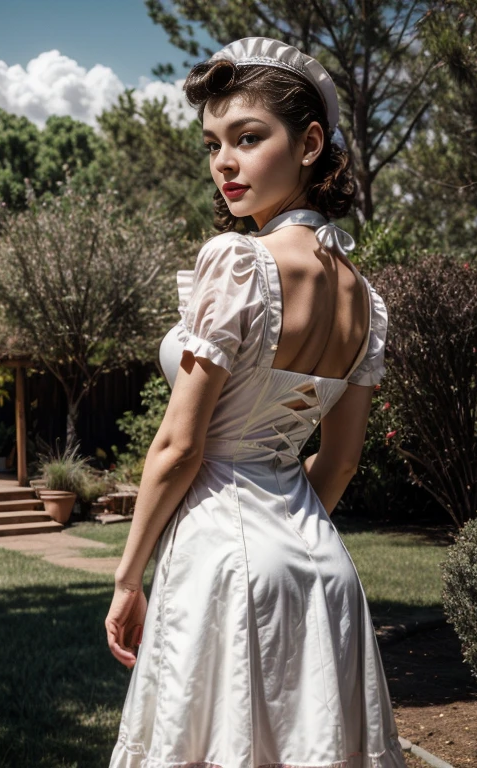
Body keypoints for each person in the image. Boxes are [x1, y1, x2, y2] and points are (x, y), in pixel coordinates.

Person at [104, 36, 407, 768]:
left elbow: (181, 447)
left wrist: (126, 577)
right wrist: (288, 528)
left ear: (309, 143)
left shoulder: (239, 262)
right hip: (324, 568)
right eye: (213, 144)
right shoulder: (365, 299)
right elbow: (337, 466)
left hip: (224, 561)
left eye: (248, 138)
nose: (225, 164)